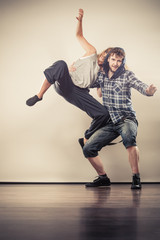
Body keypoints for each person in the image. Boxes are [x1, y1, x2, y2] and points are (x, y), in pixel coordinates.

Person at [26, 9, 110, 140]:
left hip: (78, 93)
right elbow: (79, 36)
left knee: (104, 113)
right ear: (102, 53)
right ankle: (39, 95)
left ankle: (87, 139)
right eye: (105, 55)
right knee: (61, 64)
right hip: (67, 82)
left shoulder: (103, 75)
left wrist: (108, 82)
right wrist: (80, 21)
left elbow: (99, 94)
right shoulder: (92, 53)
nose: (103, 58)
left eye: (107, 59)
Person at [80, 47, 157, 189]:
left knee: (129, 139)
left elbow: (141, 86)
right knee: (88, 148)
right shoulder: (101, 75)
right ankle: (103, 178)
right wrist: (72, 72)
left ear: (123, 62)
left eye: (119, 60)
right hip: (110, 121)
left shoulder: (127, 75)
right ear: (108, 59)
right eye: (113, 59)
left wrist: (148, 91)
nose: (115, 63)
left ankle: (136, 178)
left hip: (126, 119)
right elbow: (86, 81)